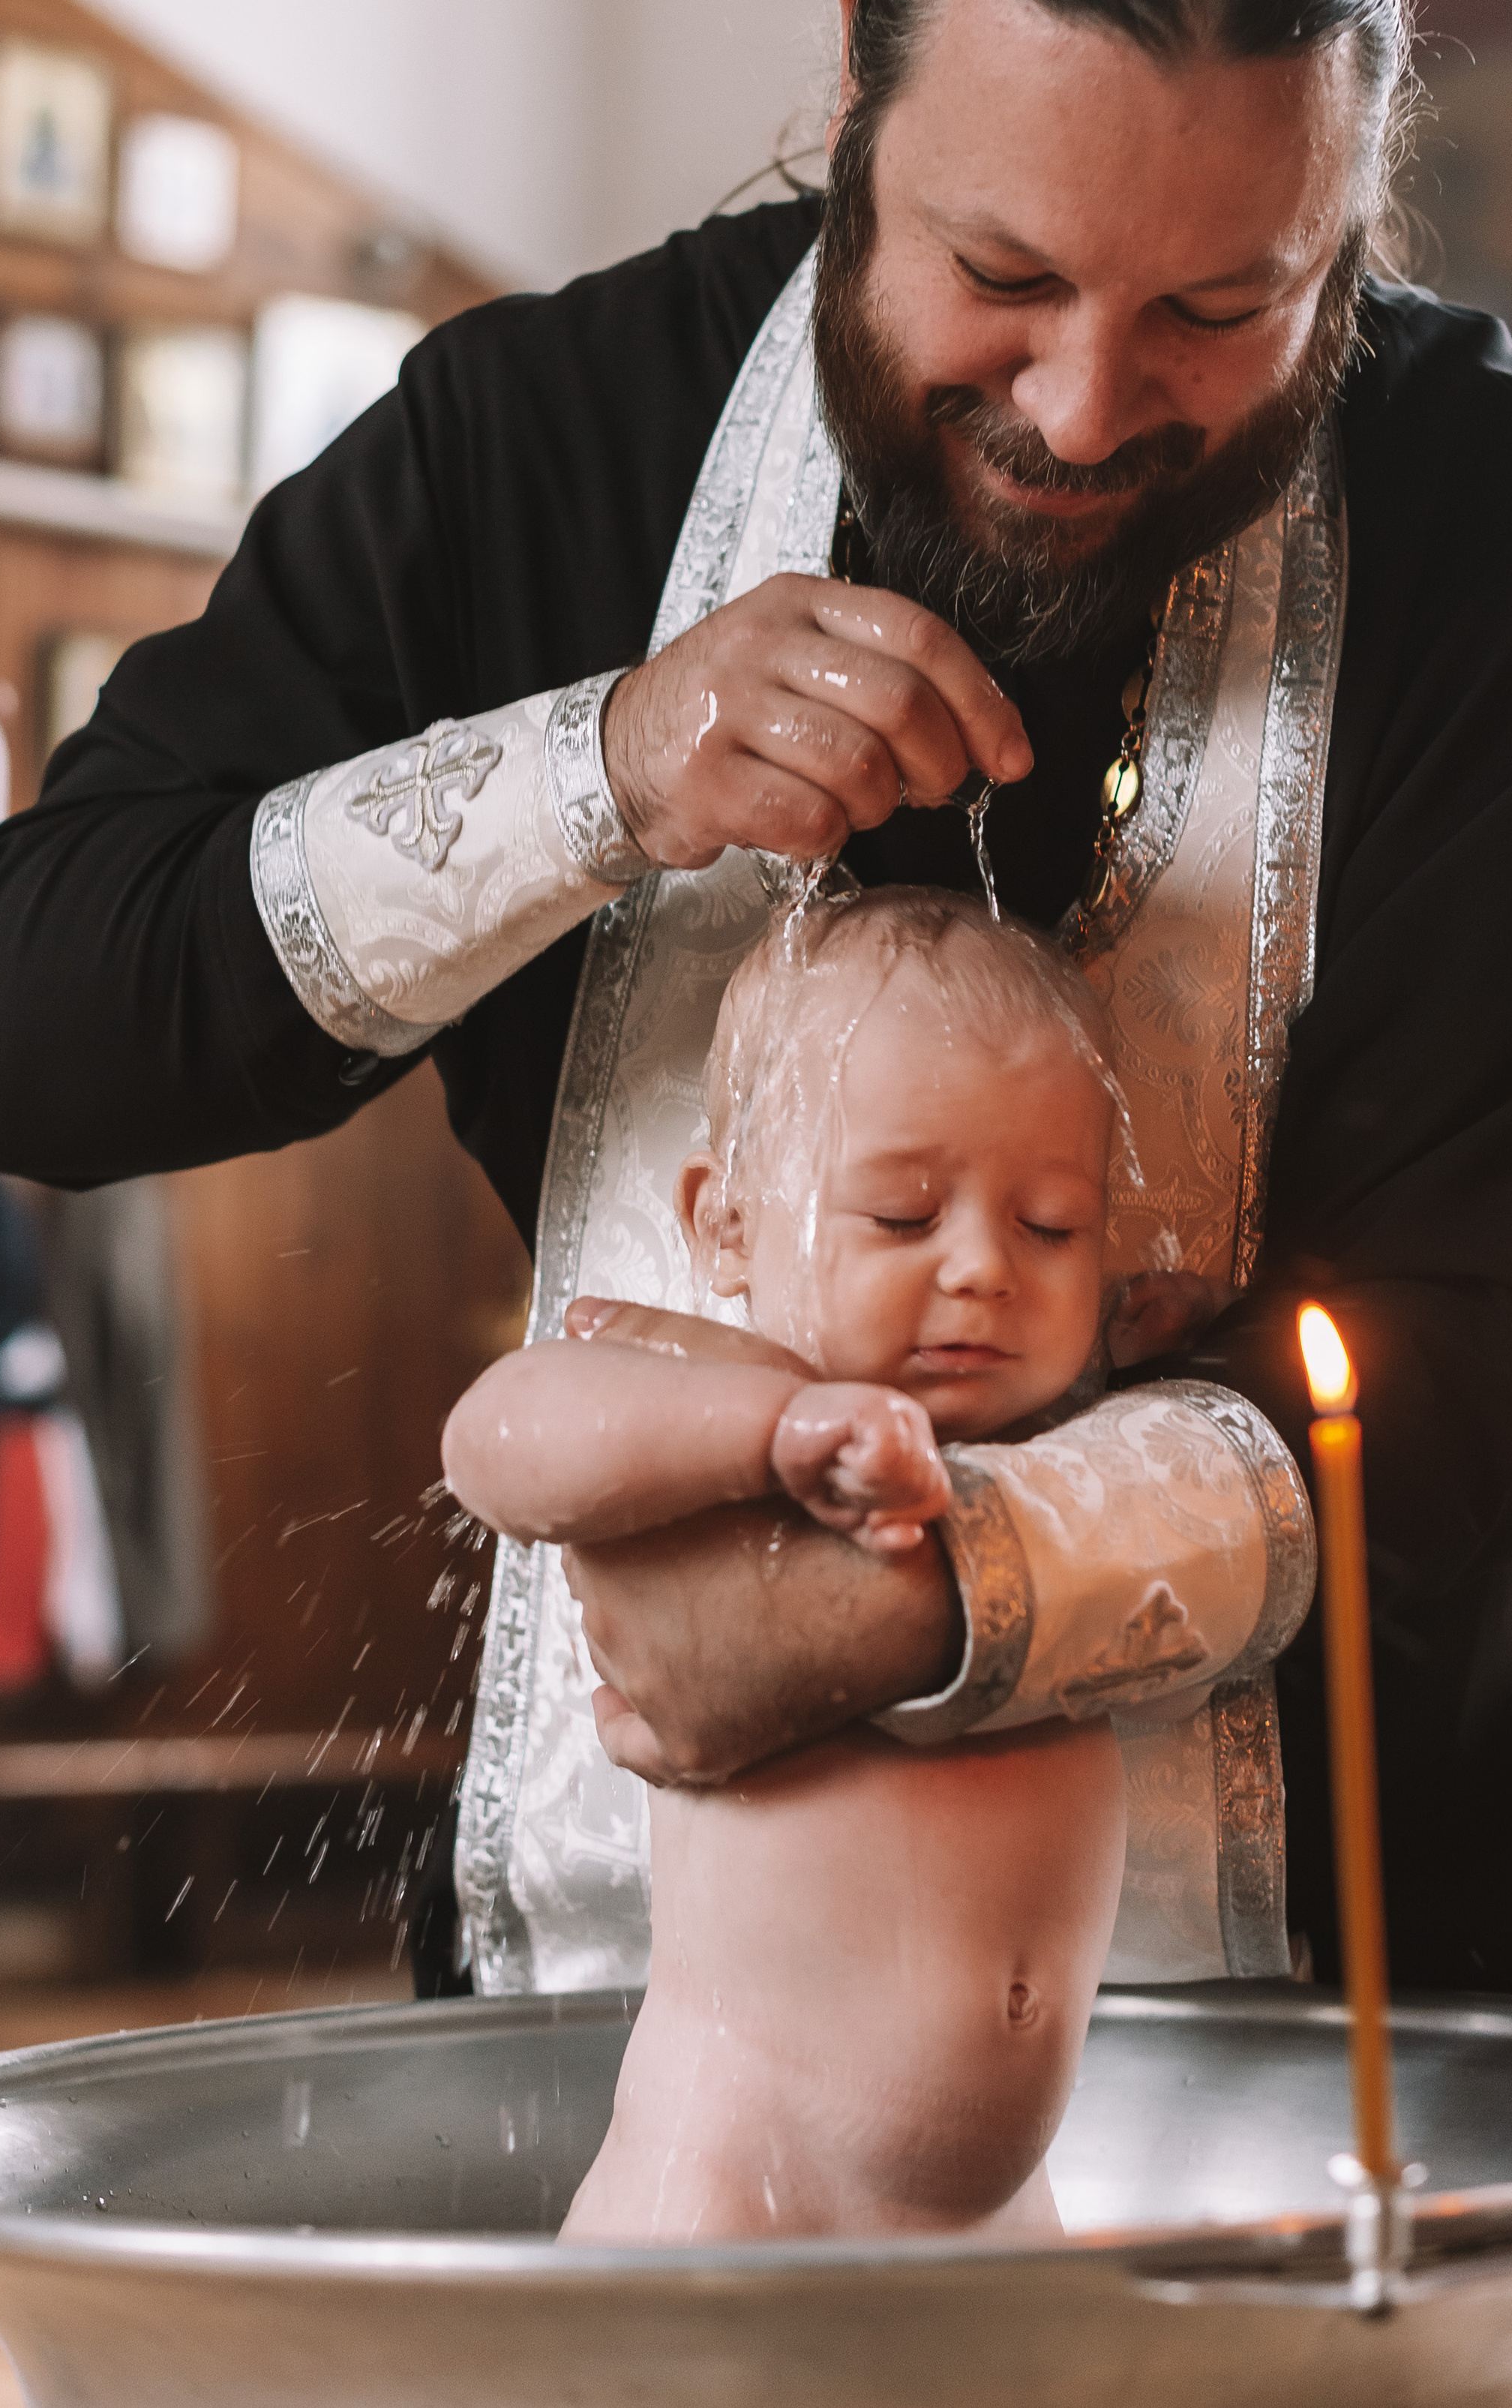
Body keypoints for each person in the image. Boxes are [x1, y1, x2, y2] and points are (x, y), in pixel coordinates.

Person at [0, 0, 1512, 2397]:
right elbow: (37, 1015)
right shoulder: (546, 446)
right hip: (641, 2079)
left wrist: (935, 1593)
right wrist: (599, 771)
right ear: (862, 43)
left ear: (1356, 188)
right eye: (998, 273)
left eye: (1223, 307)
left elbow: (1505, 1354)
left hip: (1372, 2074)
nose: (1090, 401)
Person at [447, 887, 1154, 2239]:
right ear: (725, 1224)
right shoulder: (728, 1415)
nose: (982, 1269)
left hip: (994, 2217)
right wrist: (773, 1433)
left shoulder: (1075, 1467)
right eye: (901, 1216)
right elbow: (493, 1435)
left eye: (1053, 1224)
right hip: (726, 2182)